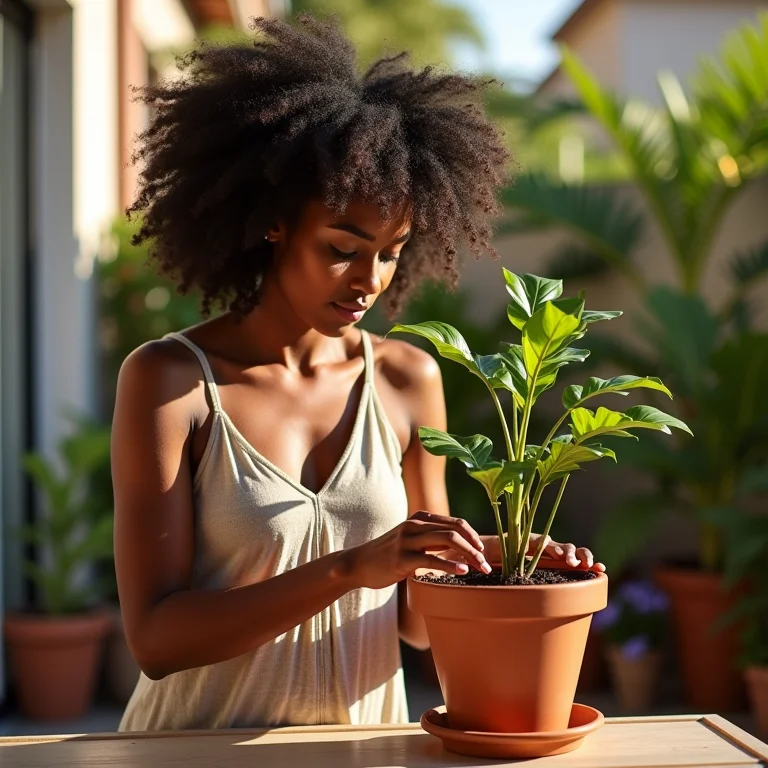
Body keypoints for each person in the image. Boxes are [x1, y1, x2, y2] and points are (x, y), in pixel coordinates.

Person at [111, 13, 604, 733]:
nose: (369, 279)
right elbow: (156, 641)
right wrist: (350, 569)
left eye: (392, 250)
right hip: (190, 749)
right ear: (277, 221)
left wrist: (496, 561)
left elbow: (418, 625)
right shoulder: (172, 382)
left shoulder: (407, 380)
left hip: (364, 747)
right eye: (342, 247)